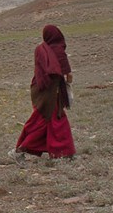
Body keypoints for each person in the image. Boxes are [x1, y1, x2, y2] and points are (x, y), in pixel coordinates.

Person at [10, 24, 75, 162]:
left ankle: (62, 153)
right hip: (52, 93)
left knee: (44, 121)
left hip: (38, 90)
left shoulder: (41, 49)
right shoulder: (58, 51)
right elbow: (68, 75)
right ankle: (22, 150)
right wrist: (67, 85)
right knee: (50, 121)